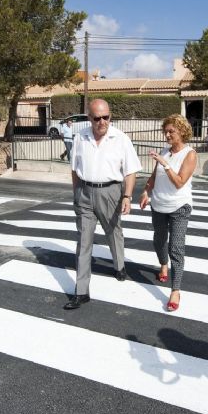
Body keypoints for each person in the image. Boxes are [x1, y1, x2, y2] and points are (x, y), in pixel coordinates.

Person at [64, 99, 142, 310]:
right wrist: (76, 194)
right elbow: (74, 169)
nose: (102, 122)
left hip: (111, 192)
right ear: (89, 118)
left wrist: (127, 196)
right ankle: (81, 291)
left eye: (105, 117)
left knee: (113, 232)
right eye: (97, 118)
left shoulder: (121, 139)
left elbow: (131, 171)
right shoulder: (80, 137)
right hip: (84, 192)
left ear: (110, 116)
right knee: (83, 241)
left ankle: (119, 266)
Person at [139, 114, 197, 312]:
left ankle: (175, 290)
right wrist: (146, 191)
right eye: (166, 131)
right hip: (159, 205)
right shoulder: (165, 151)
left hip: (180, 206)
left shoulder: (190, 154)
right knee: (158, 241)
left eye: (171, 131)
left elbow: (180, 182)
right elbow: (155, 176)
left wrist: (165, 163)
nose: (167, 134)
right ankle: (163, 265)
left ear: (182, 131)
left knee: (176, 248)